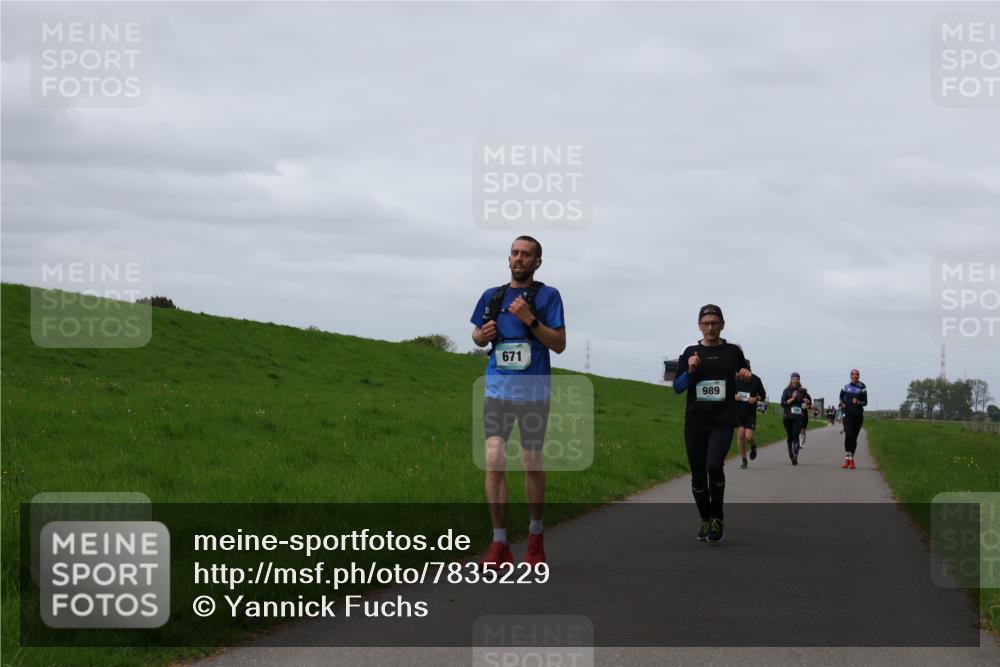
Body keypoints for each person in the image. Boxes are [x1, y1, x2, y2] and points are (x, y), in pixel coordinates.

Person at [471, 236, 565, 568]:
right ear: (508, 258)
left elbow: (559, 344)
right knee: (494, 459)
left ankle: (535, 537)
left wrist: (530, 319)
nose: (519, 258)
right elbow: (476, 334)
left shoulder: (548, 296)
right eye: (514, 253)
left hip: (534, 393)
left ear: (538, 262)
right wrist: (481, 336)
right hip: (497, 389)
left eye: (526, 254)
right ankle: (499, 545)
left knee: (531, 462)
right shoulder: (492, 296)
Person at [673, 304, 752, 544]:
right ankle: (705, 518)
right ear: (699, 325)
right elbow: (678, 387)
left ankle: (717, 518)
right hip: (696, 422)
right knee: (697, 476)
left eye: (714, 323)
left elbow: (745, 373)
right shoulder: (690, 352)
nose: (710, 327)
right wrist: (690, 370)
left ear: (722, 325)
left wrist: (746, 375)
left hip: (722, 421)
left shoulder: (732, 351)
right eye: (706, 323)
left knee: (714, 465)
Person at [733, 360, 766, 469]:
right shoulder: (734, 379)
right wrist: (734, 396)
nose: (740, 374)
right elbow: (727, 393)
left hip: (750, 413)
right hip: (737, 412)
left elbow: (763, 396)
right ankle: (744, 460)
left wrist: (755, 399)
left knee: (748, 436)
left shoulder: (756, 380)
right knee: (741, 435)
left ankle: (753, 446)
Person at [839, 369, 868, 469]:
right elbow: (840, 399)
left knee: (854, 438)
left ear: (858, 376)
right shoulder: (845, 387)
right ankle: (847, 459)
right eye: (853, 374)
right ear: (850, 376)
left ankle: (851, 459)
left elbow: (865, 402)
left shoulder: (862, 387)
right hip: (847, 415)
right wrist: (842, 404)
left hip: (858, 415)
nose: (855, 376)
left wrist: (858, 402)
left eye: (856, 374)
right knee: (848, 435)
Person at [780, 373, 807, 465]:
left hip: (798, 417)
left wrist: (806, 402)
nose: (795, 380)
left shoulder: (802, 391)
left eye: (796, 379)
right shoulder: (786, 390)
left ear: (799, 380)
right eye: (793, 379)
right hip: (787, 417)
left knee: (796, 436)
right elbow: (783, 403)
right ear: (791, 380)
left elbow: (806, 402)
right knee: (790, 436)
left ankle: (795, 457)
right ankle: (791, 454)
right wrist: (793, 398)